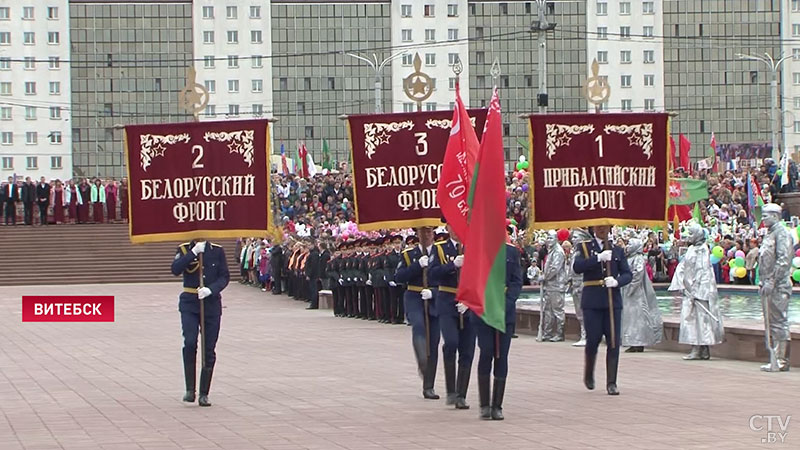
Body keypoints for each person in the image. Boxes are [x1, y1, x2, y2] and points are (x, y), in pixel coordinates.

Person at [573, 225, 632, 396]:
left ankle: (611, 382)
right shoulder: (584, 247)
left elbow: (627, 274)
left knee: (613, 341)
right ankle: (589, 373)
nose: (601, 229)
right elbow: (577, 267)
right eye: (598, 227)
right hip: (592, 301)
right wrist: (597, 258)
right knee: (593, 339)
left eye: (605, 227)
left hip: (612, 301)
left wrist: (616, 282)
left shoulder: (617, 250)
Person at [170, 239, 230, 407]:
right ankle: (190, 390)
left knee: (208, 348)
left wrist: (211, 289)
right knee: (190, 342)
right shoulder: (184, 249)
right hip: (190, 302)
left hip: (210, 304)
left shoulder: (217, 250)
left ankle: (204, 393)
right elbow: (175, 269)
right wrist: (193, 253)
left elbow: (224, 276)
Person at [473, 225, 523, 420]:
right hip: (484, 312)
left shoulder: (511, 252)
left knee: (501, 356)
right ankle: (484, 404)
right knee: (486, 352)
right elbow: (472, 280)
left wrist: (506, 303)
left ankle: (497, 405)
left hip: (504, 312)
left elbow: (517, 281)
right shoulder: (476, 250)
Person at [429, 222, 474, 409]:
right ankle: (451, 389)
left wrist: (471, 299)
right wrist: (451, 265)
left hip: (469, 303)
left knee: (468, 350)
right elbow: (432, 274)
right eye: (453, 226)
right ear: (448, 228)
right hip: (447, 300)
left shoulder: (473, 247)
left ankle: (461, 394)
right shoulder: (439, 249)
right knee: (452, 342)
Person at [395, 227, 440, 400]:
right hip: (414, 296)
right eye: (422, 232)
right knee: (419, 327)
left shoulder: (440, 252)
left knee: (434, 342)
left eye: (429, 232)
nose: (426, 235)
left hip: (434, 298)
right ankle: (422, 362)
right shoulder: (409, 254)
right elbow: (399, 276)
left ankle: (428, 386)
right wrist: (416, 265)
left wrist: (434, 293)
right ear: (417, 235)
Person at [669, 223, 725, 360]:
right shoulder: (692, 249)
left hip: (699, 292)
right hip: (690, 291)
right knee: (692, 320)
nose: (688, 237)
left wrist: (697, 292)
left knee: (701, 320)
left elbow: (703, 272)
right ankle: (698, 348)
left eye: (691, 234)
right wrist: (680, 284)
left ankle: (701, 349)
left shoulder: (702, 250)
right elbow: (683, 267)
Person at [758, 203, 793, 371]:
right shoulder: (770, 234)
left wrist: (772, 280)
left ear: (775, 216)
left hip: (779, 285)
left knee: (779, 321)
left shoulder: (782, 233)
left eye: (765, 215)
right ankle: (775, 356)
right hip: (767, 284)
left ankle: (782, 360)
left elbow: (784, 259)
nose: (763, 218)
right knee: (772, 321)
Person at [621, 238, 664, 352]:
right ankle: (632, 341)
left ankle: (638, 342)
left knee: (638, 317)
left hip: (637, 294)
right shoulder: (630, 258)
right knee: (631, 318)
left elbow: (638, 274)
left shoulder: (638, 258)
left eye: (630, 244)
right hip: (629, 292)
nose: (627, 246)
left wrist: (630, 288)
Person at [540, 230, 568, 342]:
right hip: (549, 285)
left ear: (556, 239)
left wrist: (545, 277)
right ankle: (547, 333)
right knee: (547, 310)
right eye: (548, 238)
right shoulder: (551, 251)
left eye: (551, 238)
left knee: (557, 310)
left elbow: (555, 269)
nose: (548, 240)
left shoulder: (558, 252)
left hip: (557, 284)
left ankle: (560, 334)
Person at [569, 229, 592, 346]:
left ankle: (586, 335)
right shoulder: (575, 252)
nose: (573, 239)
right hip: (575, 284)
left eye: (575, 237)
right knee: (579, 312)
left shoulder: (586, 253)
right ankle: (584, 334)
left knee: (584, 311)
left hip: (583, 285)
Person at [305, 239, 321, 309]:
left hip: (313, 275)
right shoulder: (312, 253)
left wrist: (309, 274)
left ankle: (314, 304)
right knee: (312, 289)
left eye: (309, 245)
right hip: (312, 275)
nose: (308, 247)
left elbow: (313, 266)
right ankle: (313, 303)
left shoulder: (314, 254)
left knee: (314, 289)